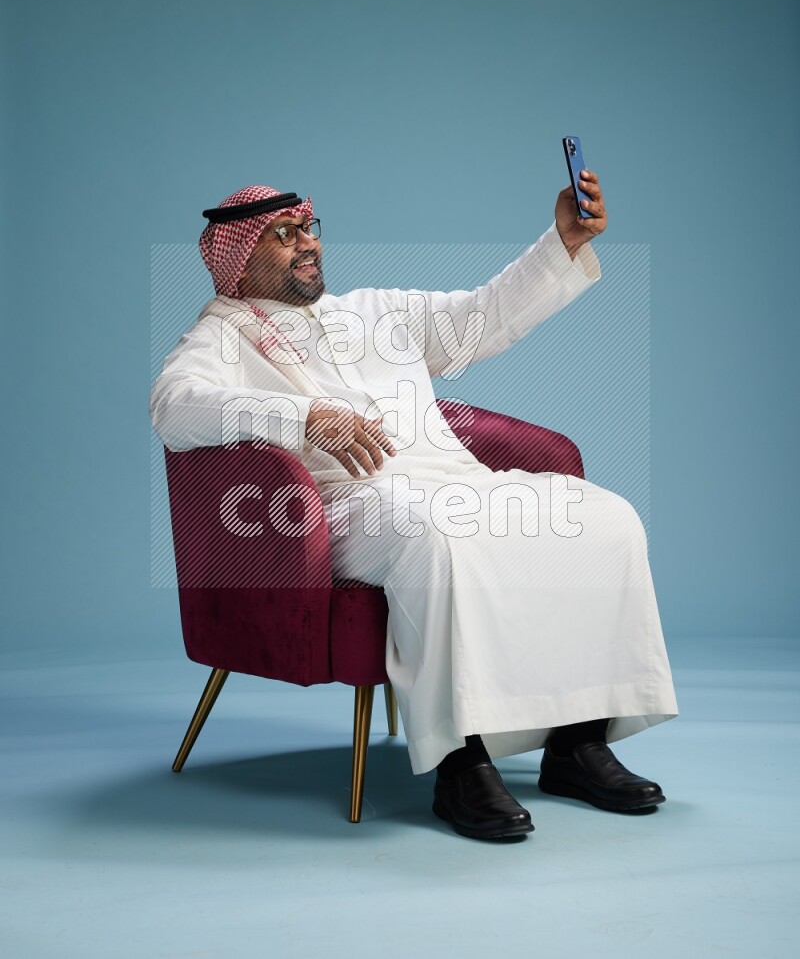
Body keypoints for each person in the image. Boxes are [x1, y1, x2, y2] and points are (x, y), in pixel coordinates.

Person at [150, 174, 679, 841]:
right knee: (430, 533)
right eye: (283, 235)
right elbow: (172, 408)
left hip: (452, 480)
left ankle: (577, 744)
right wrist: (303, 416)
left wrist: (562, 241)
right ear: (238, 258)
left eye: (309, 227)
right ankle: (461, 762)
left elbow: (483, 316)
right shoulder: (221, 337)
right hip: (338, 506)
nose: (307, 242)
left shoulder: (375, 311)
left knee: (603, 519)